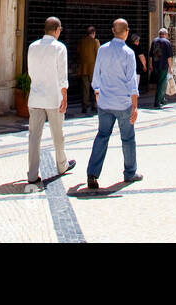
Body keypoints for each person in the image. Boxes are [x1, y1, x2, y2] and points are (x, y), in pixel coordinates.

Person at [87, 18, 142, 191]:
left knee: (102, 136)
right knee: (127, 138)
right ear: (126, 32)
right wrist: (135, 106)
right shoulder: (128, 53)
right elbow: (131, 81)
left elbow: (97, 75)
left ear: (113, 31)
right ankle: (130, 172)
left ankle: (92, 174)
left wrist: (97, 93)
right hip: (122, 103)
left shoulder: (102, 50)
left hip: (104, 102)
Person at [25, 17, 77, 186]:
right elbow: (62, 76)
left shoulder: (32, 47)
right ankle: (62, 165)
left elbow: (31, 71)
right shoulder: (59, 48)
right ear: (56, 30)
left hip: (35, 97)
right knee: (58, 134)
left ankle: (32, 174)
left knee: (34, 136)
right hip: (53, 97)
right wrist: (65, 96)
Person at [149, 28, 173, 108]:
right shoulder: (167, 42)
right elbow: (169, 57)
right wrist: (170, 67)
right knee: (161, 83)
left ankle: (162, 99)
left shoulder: (154, 41)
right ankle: (157, 102)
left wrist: (151, 65)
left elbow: (151, 55)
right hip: (163, 65)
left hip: (155, 65)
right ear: (165, 34)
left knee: (162, 82)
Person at [78, 25, 99, 114]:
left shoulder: (82, 42)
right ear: (93, 33)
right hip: (93, 69)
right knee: (94, 88)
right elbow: (98, 54)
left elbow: (78, 52)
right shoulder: (95, 41)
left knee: (85, 89)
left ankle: (84, 107)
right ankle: (94, 105)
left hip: (83, 69)